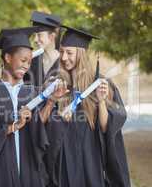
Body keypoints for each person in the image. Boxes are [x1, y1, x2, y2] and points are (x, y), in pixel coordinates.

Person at [0, 27, 68, 187]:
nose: (26, 66)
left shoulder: (32, 92)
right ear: (7, 57)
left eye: (29, 61)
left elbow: (39, 128)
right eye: (22, 60)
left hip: (29, 170)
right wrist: (13, 126)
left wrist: (50, 102)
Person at [45, 26, 131, 187]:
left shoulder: (101, 84)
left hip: (90, 161)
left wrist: (101, 101)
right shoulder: (56, 84)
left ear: (81, 54)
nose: (63, 57)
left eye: (69, 52)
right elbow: (45, 127)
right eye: (61, 52)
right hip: (63, 164)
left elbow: (107, 129)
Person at [24, 11, 63, 86]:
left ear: (51, 37)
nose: (35, 40)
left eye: (39, 35)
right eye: (34, 35)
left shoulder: (64, 62)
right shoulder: (32, 62)